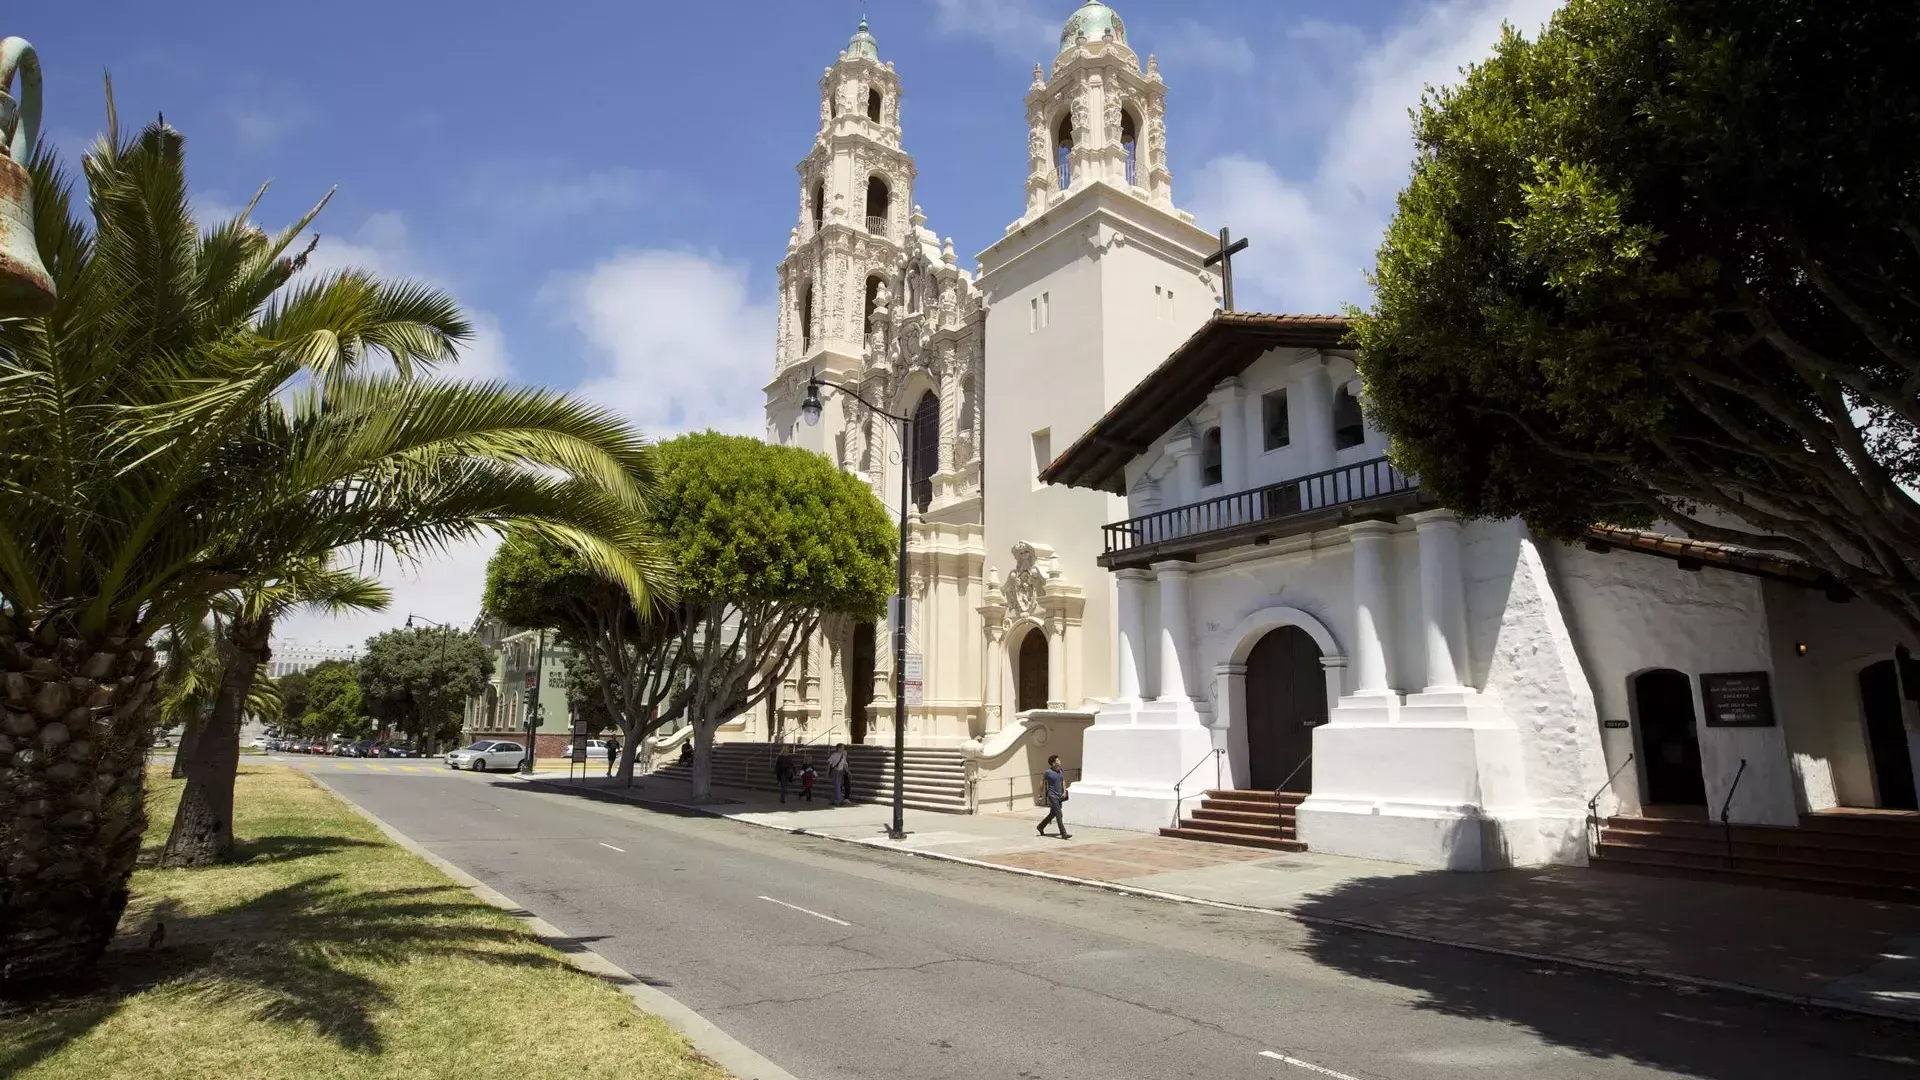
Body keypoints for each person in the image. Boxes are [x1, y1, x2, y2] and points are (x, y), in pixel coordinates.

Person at [1037, 754, 1070, 839]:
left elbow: (1063, 780)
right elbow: (1042, 783)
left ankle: (1040, 826)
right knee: (1059, 814)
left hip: (1060, 796)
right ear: (1053, 763)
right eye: (1058, 760)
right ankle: (1064, 834)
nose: (1060, 761)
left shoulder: (1061, 770)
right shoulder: (1048, 772)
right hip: (1052, 795)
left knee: (1053, 814)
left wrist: (1065, 791)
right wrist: (1040, 795)